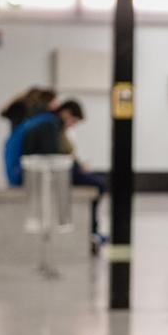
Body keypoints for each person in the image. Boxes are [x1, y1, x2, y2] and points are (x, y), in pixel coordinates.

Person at [56, 99, 108, 251]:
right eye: (73, 120)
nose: (72, 124)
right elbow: (65, 155)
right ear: (66, 113)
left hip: (67, 168)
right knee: (99, 183)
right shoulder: (54, 128)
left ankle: (93, 229)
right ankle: (92, 230)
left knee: (98, 181)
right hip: (63, 171)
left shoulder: (59, 129)